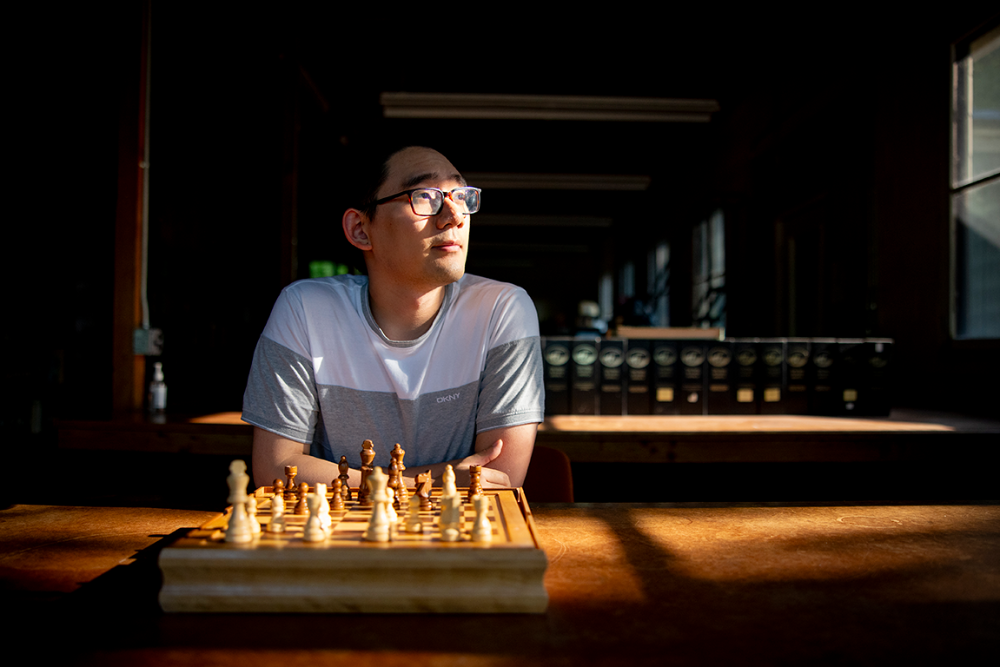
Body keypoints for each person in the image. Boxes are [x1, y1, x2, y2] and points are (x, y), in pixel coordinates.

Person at [242, 146, 543, 490]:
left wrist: (359, 482)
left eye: (461, 196)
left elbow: (501, 477)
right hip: (337, 537)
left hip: (455, 539)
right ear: (360, 229)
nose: (455, 215)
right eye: (425, 196)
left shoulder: (502, 309)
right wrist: (442, 479)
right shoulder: (305, 309)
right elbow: (275, 468)